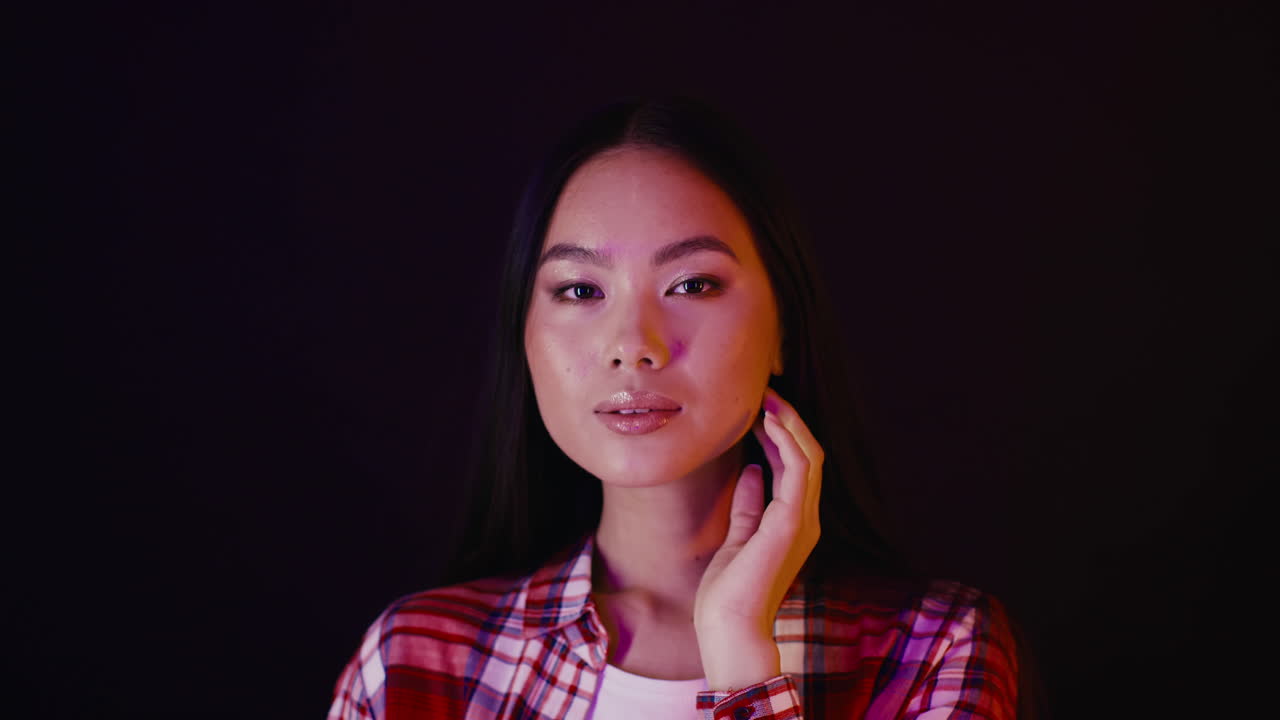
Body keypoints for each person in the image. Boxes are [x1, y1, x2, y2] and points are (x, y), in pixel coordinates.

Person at [328, 97, 1019, 719]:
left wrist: (743, 652)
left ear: (783, 326)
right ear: (523, 333)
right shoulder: (415, 665)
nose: (633, 346)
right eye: (579, 291)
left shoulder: (932, 651)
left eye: (692, 284)